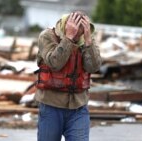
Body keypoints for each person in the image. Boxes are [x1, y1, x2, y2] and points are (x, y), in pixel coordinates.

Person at [35, 11, 102, 141]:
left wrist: (88, 42)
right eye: (75, 32)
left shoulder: (85, 40)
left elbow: (93, 67)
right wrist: (68, 38)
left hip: (78, 108)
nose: (78, 38)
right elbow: (55, 63)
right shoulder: (47, 36)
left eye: (81, 33)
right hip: (51, 107)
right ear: (67, 25)